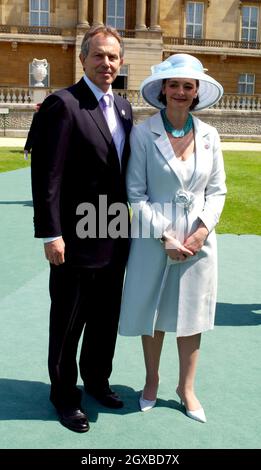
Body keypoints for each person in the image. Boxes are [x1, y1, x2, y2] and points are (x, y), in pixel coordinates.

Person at [31, 25, 133, 433]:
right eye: (99, 56)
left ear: (120, 62)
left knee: (105, 317)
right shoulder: (63, 105)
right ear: (83, 59)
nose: (106, 63)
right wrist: (50, 233)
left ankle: (96, 380)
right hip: (74, 239)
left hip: (114, 233)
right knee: (69, 320)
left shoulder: (124, 108)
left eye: (113, 57)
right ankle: (63, 394)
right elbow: (47, 175)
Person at [119, 53, 226, 423]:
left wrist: (200, 232)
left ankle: (187, 387)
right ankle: (152, 381)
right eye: (174, 84)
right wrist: (164, 235)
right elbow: (135, 194)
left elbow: (218, 192)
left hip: (198, 244)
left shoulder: (210, 135)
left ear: (197, 92)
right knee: (154, 312)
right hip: (154, 240)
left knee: (192, 315)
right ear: (163, 89)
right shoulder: (143, 132)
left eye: (188, 86)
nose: (180, 91)